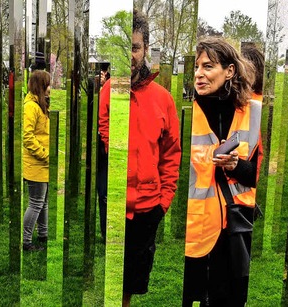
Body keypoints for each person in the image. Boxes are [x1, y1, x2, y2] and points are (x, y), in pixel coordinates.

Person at [182, 37, 262, 307]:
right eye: (196, 66)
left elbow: (260, 175)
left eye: (208, 66)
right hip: (194, 229)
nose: (199, 74)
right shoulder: (187, 112)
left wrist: (235, 165)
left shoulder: (253, 113)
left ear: (229, 71)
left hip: (233, 227)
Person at [123, 10, 181, 307]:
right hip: (114, 208)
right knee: (111, 278)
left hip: (148, 208)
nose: (129, 55)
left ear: (145, 49)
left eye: (134, 47)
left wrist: (164, 201)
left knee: (132, 280)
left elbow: (171, 154)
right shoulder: (108, 92)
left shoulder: (163, 99)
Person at [22, 70, 51, 252]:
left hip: (43, 164)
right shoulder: (31, 107)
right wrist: (44, 154)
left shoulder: (40, 104)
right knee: (36, 203)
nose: (50, 88)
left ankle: (43, 234)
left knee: (43, 202)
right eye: (48, 84)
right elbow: (27, 136)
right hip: (36, 164)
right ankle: (26, 241)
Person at [97, 64, 110, 241]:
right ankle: (106, 230)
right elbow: (103, 118)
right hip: (108, 150)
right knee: (105, 190)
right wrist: (108, 144)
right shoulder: (109, 87)